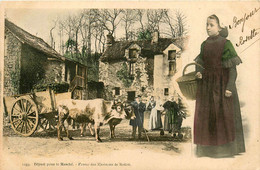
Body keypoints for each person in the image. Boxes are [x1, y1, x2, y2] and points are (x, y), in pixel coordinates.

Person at [194, 14, 245, 158]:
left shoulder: (225, 43)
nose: (208, 28)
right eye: (207, 24)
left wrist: (229, 87)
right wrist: (198, 73)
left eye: (211, 25)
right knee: (208, 116)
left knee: (223, 116)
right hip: (207, 87)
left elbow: (232, 70)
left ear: (219, 27)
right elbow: (200, 64)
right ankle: (208, 150)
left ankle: (224, 151)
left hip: (222, 86)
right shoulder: (204, 44)